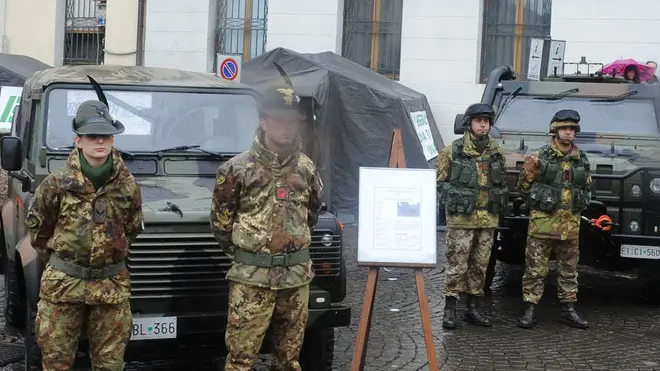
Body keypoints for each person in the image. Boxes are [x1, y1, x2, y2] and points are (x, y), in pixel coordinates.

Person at [210, 83, 323, 370]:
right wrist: (252, 255)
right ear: (263, 122)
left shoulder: (307, 169)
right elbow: (222, 223)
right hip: (251, 279)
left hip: (295, 279)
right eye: (280, 121)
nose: (287, 127)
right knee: (240, 360)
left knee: (289, 360)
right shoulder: (236, 170)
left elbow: (312, 213)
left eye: (292, 122)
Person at [26, 99, 144, 370]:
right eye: (92, 136)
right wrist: (68, 263)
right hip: (64, 287)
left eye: (105, 135)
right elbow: (39, 235)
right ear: (78, 141)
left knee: (110, 365)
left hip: (110, 288)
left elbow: (132, 228)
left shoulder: (127, 186)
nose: (99, 142)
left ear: (113, 139)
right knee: (56, 362)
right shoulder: (56, 185)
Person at [516, 109, 591, 330]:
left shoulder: (581, 159)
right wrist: (542, 202)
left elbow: (586, 188)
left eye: (572, 129)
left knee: (569, 271)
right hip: (543, 226)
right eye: (564, 128)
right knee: (535, 270)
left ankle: (568, 309)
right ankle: (530, 309)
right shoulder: (538, 157)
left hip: (570, 227)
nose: (568, 133)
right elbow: (523, 187)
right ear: (555, 130)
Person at [436, 103, 508, 329]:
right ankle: (450, 309)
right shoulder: (453, 151)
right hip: (462, 220)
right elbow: (441, 183)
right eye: (478, 121)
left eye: (486, 121)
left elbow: (500, 182)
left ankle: (473, 309)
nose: (483, 125)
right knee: (458, 265)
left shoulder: (496, 152)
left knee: (480, 266)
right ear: (469, 124)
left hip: (487, 220)